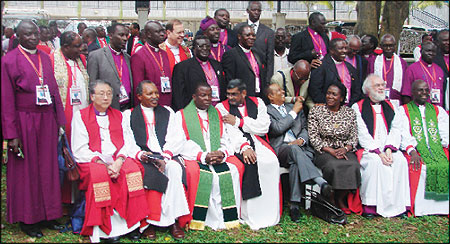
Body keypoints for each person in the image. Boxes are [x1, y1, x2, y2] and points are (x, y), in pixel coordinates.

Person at [1, 20, 66, 238]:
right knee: (26, 171)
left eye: (35, 34)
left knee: (48, 168)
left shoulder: (44, 57)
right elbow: (6, 100)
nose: (33, 38)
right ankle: (29, 219)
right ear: (18, 36)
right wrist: (11, 135)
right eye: (27, 35)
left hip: (46, 119)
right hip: (23, 120)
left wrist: (60, 121)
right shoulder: (9, 61)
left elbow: (54, 91)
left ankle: (49, 213)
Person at [71, 80, 149, 242]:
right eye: (101, 94)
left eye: (109, 94)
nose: (106, 97)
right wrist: (103, 164)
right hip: (92, 161)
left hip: (117, 158)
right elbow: (79, 148)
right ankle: (104, 229)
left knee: (132, 170)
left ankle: (132, 224)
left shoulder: (119, 115)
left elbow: (127, 142)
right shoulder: (81, 116)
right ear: (92, 96)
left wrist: (119, 161)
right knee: (101, 177)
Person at [162, 83, 245, 231]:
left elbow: (225, 137)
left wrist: (222, 153)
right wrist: (202, 155)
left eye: (210, 95)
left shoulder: (217, 113)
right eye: (203, 95)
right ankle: (203, 218)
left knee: (233, 169)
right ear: (194, 97)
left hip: (217, 155)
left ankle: (229, 217)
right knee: (201, 174)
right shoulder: (181, 115)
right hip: (195, 156)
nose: (208, 99)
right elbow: (178, 142)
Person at [122, 81, 189, 239]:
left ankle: (172, 220)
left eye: (156, 93)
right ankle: (150, 222)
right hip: (142, 156)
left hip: (165, 154)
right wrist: (140, 154)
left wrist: (165, 156)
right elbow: (127, 140)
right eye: (149, 94)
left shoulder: (167, 112)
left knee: (174, 169)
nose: (154, 97)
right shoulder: (129, 114)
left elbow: (177, 137)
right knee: (151, 171)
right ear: (139, 96)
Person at [216, 79, 281, 230]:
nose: (230, 98)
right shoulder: (221, 107)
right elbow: (229, 130)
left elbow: (264, 127)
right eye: (228, 94)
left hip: (259, 141)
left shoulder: (258, 102)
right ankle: (250, 214)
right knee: (251, 162)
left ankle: (269, 211)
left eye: (234, 94)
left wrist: (239, 121)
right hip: (237, 143)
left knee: (271, 162)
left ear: (244, 93)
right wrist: (244, 147)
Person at [266, 83, 332, 222]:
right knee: (293, 150)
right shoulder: (267, 111)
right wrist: (293, 113)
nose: (283, 91)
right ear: (271, 97)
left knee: (295, 162)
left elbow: (305, 127)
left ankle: (294, 205)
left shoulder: (294, 107)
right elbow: (277, 129)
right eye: (278, 91)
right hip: (281, 148)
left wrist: (302, 139)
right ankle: (318, 180)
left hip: (300, 149)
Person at [351, 74, 411, 218]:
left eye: (382, 85)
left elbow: (397, 128)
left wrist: (389, 148)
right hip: (369, 149)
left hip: (389, 147)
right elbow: (362, 132)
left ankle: (398, 206)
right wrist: (378, 152)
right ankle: (371, 206)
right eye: (377, 85)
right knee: (375, 163)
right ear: (368, 89)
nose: (381, 88)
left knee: (400, 161)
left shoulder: (391, 106)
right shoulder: (357, 107)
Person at [396, 80, 449, 216]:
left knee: (444, 164)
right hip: (415, 150)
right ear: (413, 92)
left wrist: (440, 145)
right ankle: (422, 209)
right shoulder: (404, 110)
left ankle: (443, 208)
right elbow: (403, 133)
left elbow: (445, 132)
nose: (424, 93)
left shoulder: (438, 110)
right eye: (420, 90)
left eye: (426, 90)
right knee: (418, 166)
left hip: (437, 148)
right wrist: (412, 150)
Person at [307, 82, 360, 212]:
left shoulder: (350, 113)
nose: (330, 96)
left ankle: (340, 197)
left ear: (341, 98)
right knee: (333, 165)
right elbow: (313, 136)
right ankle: (330, 197)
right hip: (324, 150)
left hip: (344, 150)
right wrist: (330, 150)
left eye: (334, 94)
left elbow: (354, 136)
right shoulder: (316, 111)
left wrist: (346, 149)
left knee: (353, 165)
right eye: (328, 93)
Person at [172, 35, 226, 111]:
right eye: (201, 46)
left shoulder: (217, 65)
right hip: (194, 112)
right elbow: (179, 96)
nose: (205, 49)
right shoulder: (182, 67)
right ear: (194, 49)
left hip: (216, 110)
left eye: (207, 46)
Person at [88, 23, 134, 111]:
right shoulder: (97, 56)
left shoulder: (128, 58)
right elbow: (92, 86)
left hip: (127, 107)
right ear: (111, 35)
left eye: (126, 35)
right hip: (107, 107)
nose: (125, 38)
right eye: (121, 35)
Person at [309, 38, 362, 106]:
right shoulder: (321, 66)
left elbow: (356, 91)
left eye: (346, 48)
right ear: (332, 50)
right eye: (341, 48)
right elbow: (315, 91)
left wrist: (350, 105)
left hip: (348, 108)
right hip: (327, 108)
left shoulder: (351, 68)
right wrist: (331, 105)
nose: (344, 51)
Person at [131, 21, 172, 107]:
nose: (162, 34)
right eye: (158, 32)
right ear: (149, 34)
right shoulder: (139, 56)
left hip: (167, 102)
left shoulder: (164, 54)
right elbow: (138, 88)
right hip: (150, 105)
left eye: (162, 31)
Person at [234, 1, 274, 84]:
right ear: (248, 10)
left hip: (260, 74)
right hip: (241, 72)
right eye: (254, 10)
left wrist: (268, 80)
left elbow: (270, 59)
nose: (256, 12)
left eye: (259, 10)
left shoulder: (268, 32)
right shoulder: (238, 28)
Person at [222, 25, 266, 97]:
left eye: (253, 35)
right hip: (241, 97)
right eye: (248, 35)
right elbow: (229, 80)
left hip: (258, 95)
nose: (251, 38)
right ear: (239, 36)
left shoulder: (257, 54)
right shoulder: (231, 55)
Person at [368, 34, 409, 108]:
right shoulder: (373, 61)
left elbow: (405, 86)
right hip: (377, 100)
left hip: (396, 102)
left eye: (391, 46)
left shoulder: (402, 63)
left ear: (395, 46)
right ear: (381, 46)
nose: (388, 48)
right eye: (385, 46)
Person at [402, 42, 445, 107]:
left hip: (437, 109)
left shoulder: (439, 70)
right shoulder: (412, 69)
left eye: (433, 51)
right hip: (418, 109)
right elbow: (406, 94)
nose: (431, 53)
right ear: (421, 51)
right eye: (428, 51)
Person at [433, 30, 449, 110]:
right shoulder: (433, 58)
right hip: (440, 98)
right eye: (445, 40)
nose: (448, 43)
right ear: (438, 43)